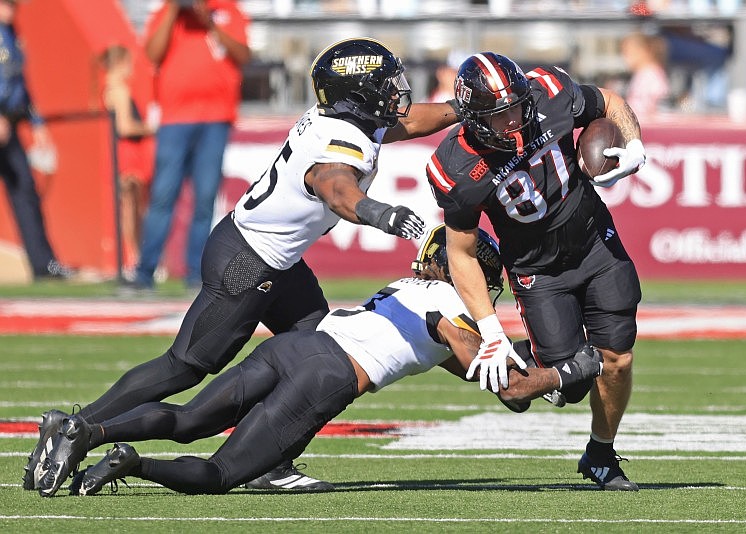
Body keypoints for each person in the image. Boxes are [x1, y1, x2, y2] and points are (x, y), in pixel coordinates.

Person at [24, 37, 461, 495]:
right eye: (383, 85)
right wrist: (378, 212)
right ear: (356, 95)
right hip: (249, 264)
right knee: (184, 367)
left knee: (312, 347)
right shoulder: (339, 142)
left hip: (273, 257)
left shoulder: (352, 120)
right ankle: (75, 427)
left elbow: (408, 121)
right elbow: (336, 187)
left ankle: (272, 460)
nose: (396, 92)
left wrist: (467, 108)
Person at [36, 224, 603, 497]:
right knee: (219, 474)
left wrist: (534, 370)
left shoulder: (412, 290)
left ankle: (85, 427)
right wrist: (576, 369)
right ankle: (130, 464)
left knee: (186, 420)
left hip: (293, 345)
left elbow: (484, 373)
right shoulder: (455, 308)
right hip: (325, 374)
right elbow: (505, 387)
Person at [425, 52, 646, 491]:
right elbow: (463, 254)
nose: (515, 120)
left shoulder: (547, 91)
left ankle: (601, 454)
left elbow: (607, 102)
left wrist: (634, 144)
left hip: (593, 240)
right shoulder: (456, 167)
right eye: (501, 114)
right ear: (474, 118)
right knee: (570, 381)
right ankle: (518, 358)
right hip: (537, 270)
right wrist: (490, 332)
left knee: (615, 359)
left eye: (518, 106)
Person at [131, 0, 251, 289]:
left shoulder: (227, 10)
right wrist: (173, 11)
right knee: (162, 197)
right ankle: (145, 272)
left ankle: (196, 275)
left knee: (205, 199)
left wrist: (208, 22)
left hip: (215, 118)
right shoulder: (167, 11)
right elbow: (152, 53)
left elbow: (243, 55)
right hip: (175, 118)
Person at [0, 0, 72, 280]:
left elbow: (20, 84)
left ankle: (44, 264)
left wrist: (38, 123)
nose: (11, 8)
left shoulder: (12, 34)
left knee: (26, 194)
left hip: (11, 123)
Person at [100, 45, 156, 271]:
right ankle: (136, 257)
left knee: (129, 207)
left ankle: (134, 256)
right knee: (132, 207)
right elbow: (124, 127)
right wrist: (150, 128)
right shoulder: (120, 90)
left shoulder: (108, 88)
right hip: (127, 153)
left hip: (121, 152)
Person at [620, 32, 670, 119]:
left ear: (643, 51)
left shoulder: (651, 75)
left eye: (627, 52)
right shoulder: (642, 74)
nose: (625, 57)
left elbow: (649, 109)